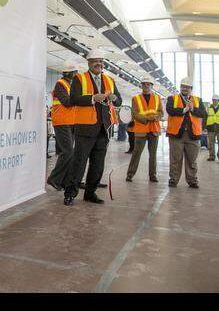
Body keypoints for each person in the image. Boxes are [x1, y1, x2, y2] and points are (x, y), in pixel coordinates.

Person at [62, 49, 121, 205]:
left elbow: (119, 101)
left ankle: (90, 193)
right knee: (79, 162)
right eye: (95, 60)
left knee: (98, 164)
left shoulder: (109, 80)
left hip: (104, 128)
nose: (98, 63)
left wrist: (114, 98)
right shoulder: (79, 79)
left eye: (101, 61)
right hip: (85, 127)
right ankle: (70, 193)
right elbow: (73, 99)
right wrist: (93, 98)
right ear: (89, 63)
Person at [46, 59, 80, 191]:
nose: (77, 74)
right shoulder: (60, 84)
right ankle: (53, 179)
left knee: (69, 153)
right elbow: (66, 102)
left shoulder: (70, 84)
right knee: (68, 152)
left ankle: (65, 181)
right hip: (62, 121)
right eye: (75, 72)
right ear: (69, 73)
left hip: (71, 121)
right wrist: (79, 98)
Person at [165, 78, 205, 189]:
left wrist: (192, 109)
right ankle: (173, 179)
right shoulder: (172, 98)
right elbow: (170, 110)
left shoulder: (198, 100)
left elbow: (203, 113)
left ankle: (192, 180)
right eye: (183, 86)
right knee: (175, 159)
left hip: (193, 135)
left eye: (187, 87)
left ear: (191, 89)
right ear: (180, 87)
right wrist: (184, 110)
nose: (185, 88)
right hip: (176, 134)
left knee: (192, 159)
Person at [125, 77, 162, 183]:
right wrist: (147, 118)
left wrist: (157, 117)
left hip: (154, 129)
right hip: (141, 129)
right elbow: (135, 113)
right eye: (144, 84)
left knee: (153, 154)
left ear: (151, 86)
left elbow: (161, 112)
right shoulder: (136, 98)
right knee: (136, 153)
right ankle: (130, 174)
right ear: (141, 86)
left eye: (148, 84)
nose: (146, 86)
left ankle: (153, 175)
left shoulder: (157, 98)